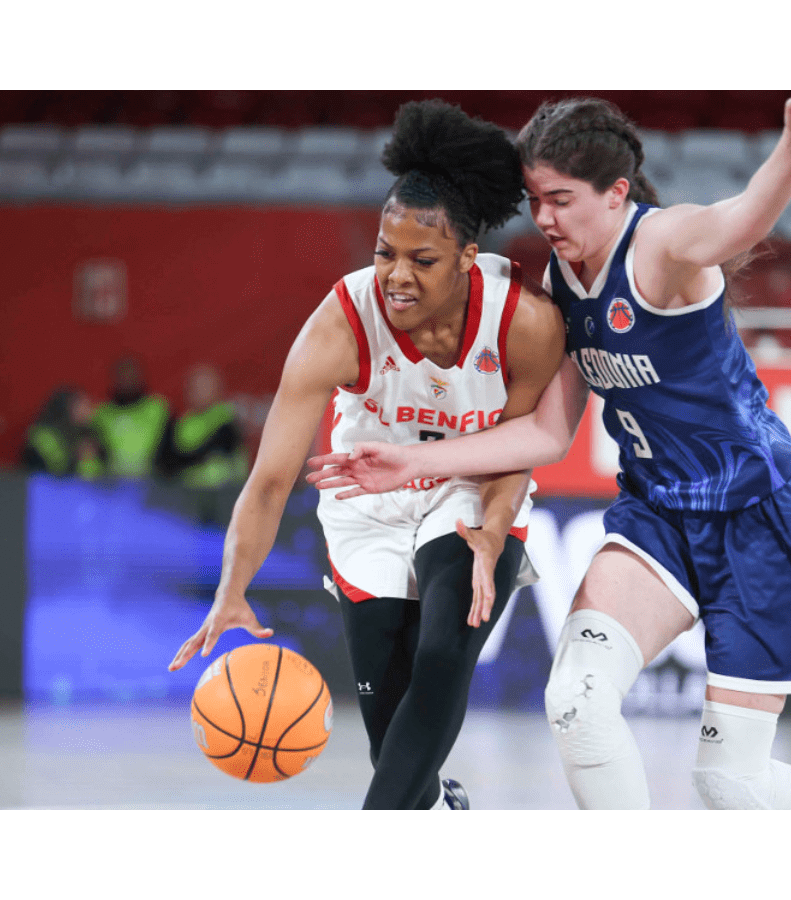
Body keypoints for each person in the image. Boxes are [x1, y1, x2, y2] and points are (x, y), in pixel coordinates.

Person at [307, 91, 791, 810]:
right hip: (659, 514)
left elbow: (738, 221)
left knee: (731, 782)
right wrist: (412, 460)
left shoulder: (662, 247)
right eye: (536, 200)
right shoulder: (565, 280)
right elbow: (546, 432)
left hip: (754, 517)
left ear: (617, 194)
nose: (544, 218)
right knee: (576, 701)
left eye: (562, 200)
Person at [168, 99, 566, 811]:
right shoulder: (339, 325)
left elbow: (518, 448)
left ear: (468, 259)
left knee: (446, 651)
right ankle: (438, 810)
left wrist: (493, 530)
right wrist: (231, 591)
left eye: (423, 259)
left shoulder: (526, 322)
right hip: (367, 505)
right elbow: (267, 484)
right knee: (394, 742)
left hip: (470, 492)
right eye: (385, 252)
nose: (396, 275)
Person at [157, 363, 249, 488]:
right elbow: (166, 462)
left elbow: (220, 444)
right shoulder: (181, 423)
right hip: (189, 494)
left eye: (205, 386)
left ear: (218, 388)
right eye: (195, 387)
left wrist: (183, 460)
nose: (199, 391)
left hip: (225, 493)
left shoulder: (228, 416)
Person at [92, 354, 171, 478]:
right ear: (114, 379)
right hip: (112, 483)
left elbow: (171, 446)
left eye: (132, 375)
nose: (127, 379)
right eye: (122, 375)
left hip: (152, 482)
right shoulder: (101, 413)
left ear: (141, 377)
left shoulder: (158, 407)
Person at [21, 386, 107, 479]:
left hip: (80, 491)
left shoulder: (89, 435)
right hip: (43, 488)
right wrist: (78, 457)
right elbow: (57, 470)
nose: (90, 410)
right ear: (68, 408)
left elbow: (96, 475)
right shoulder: (42, 435)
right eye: (84, 405)